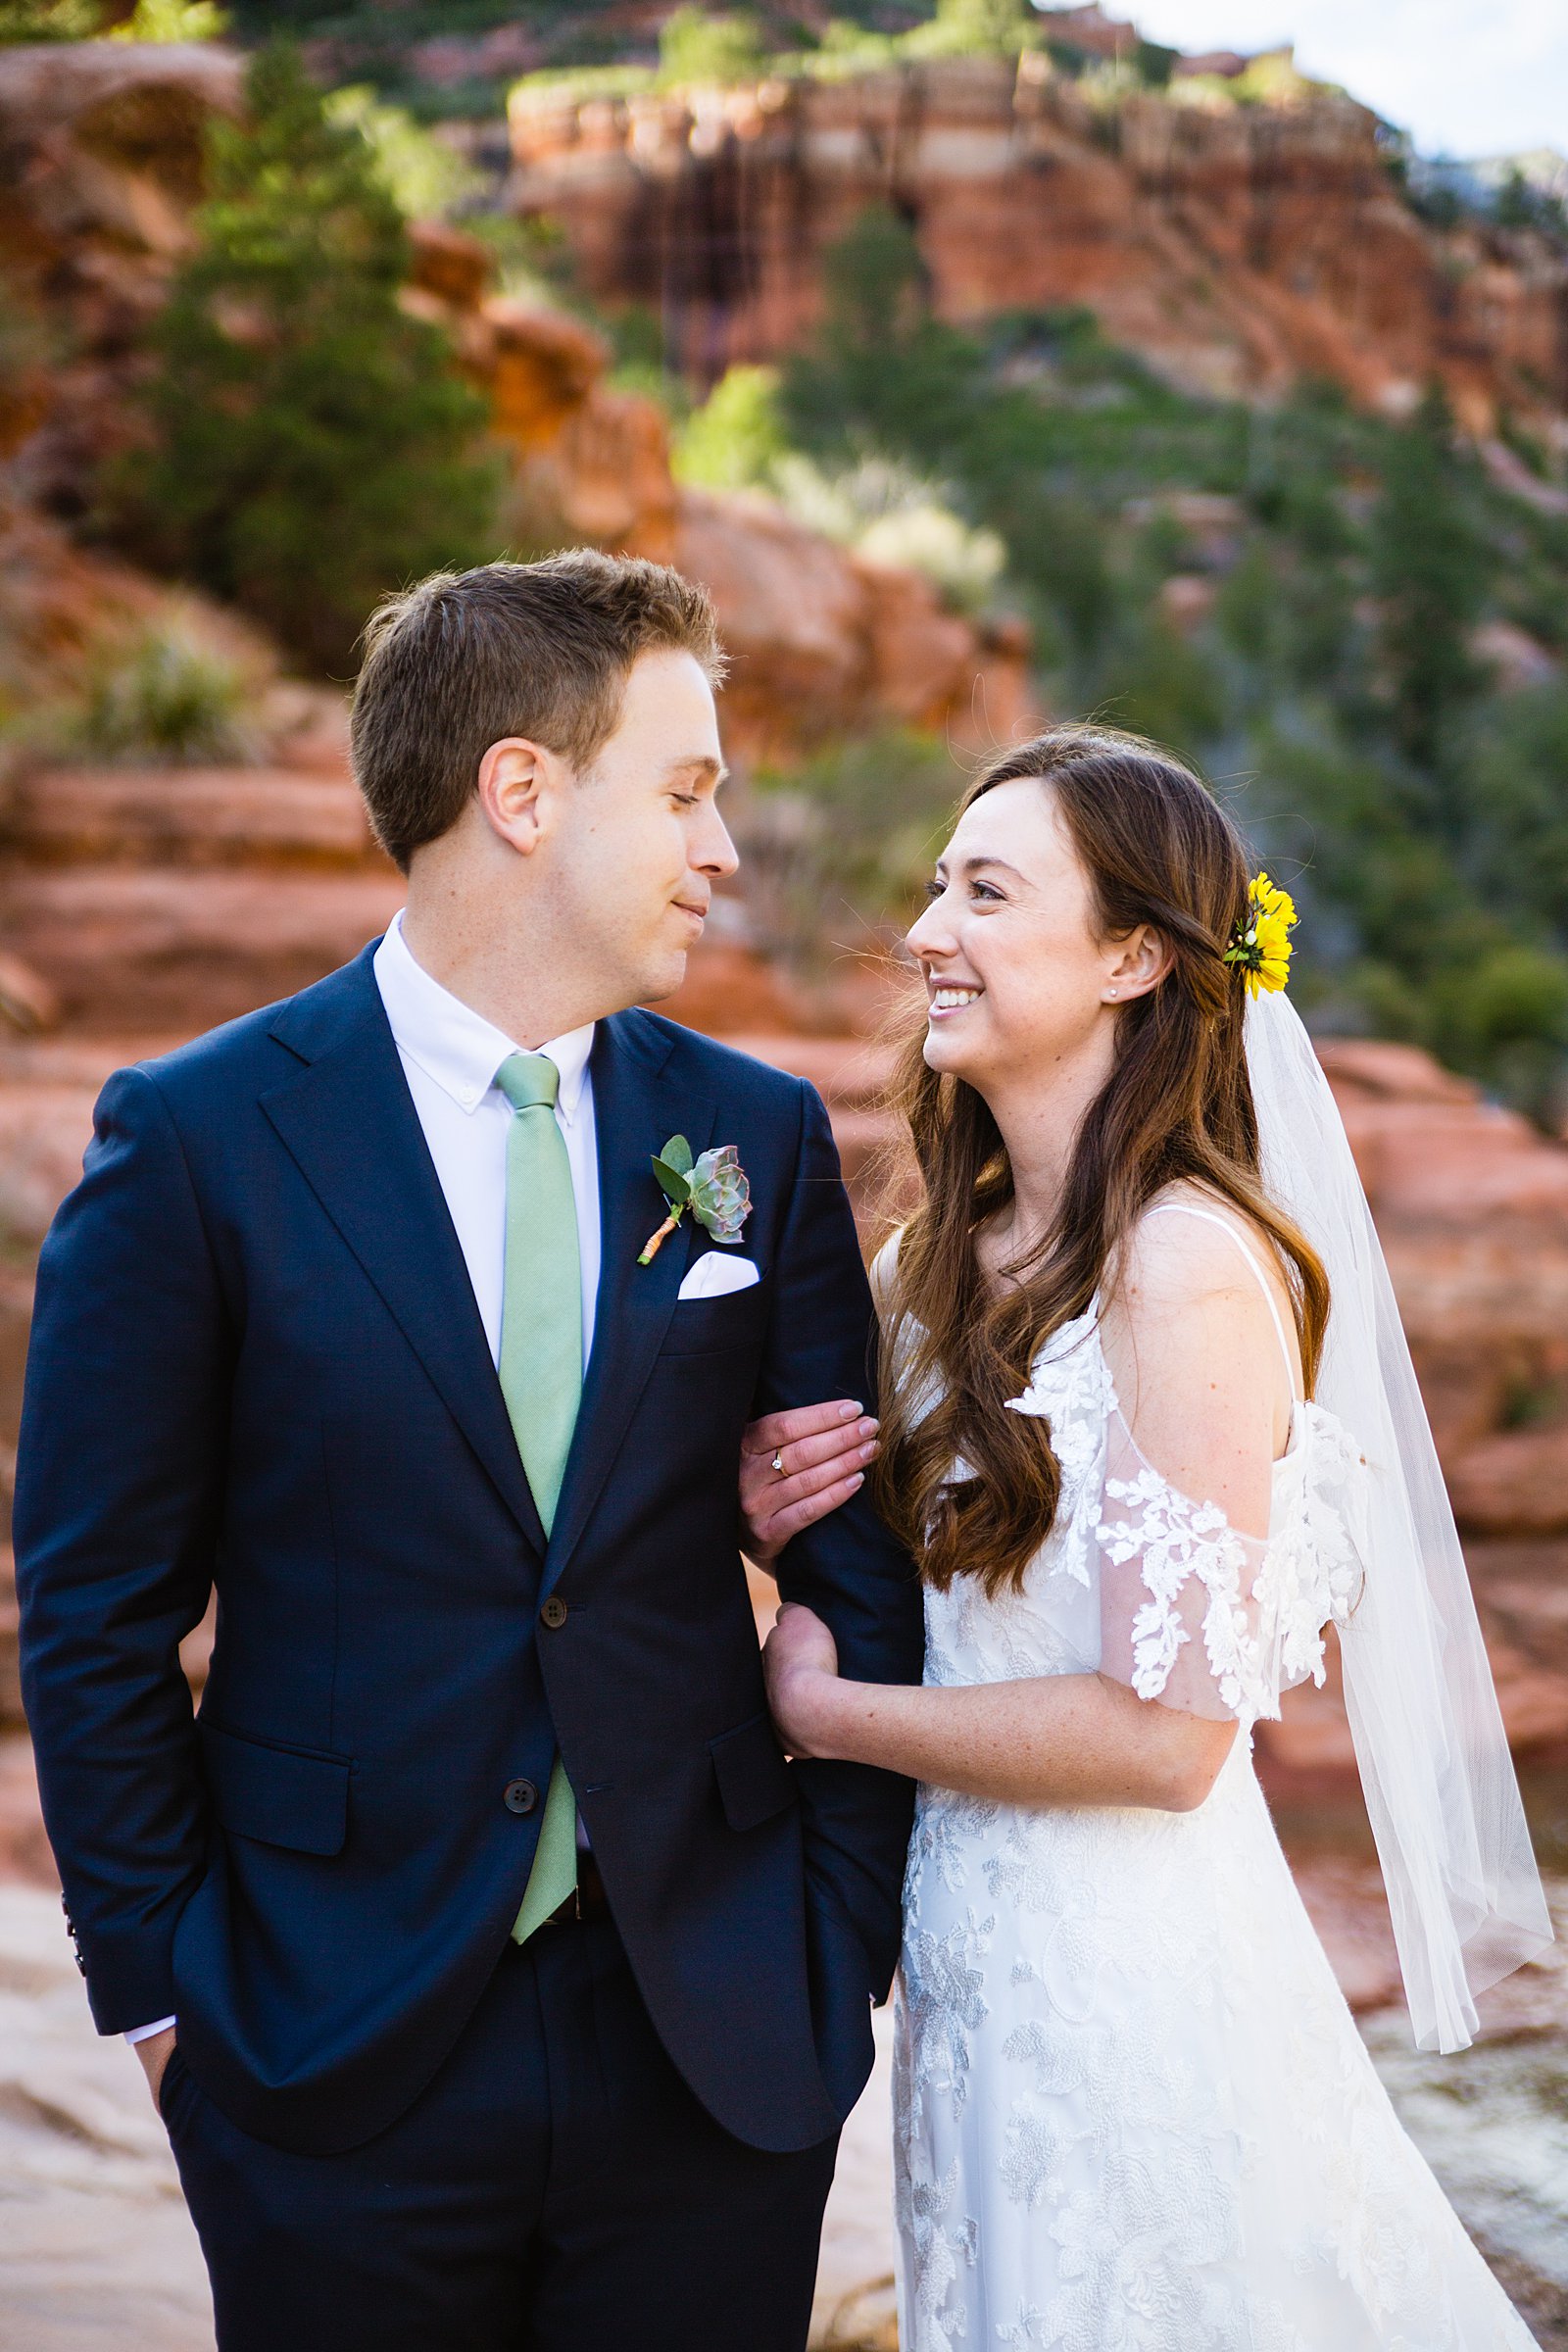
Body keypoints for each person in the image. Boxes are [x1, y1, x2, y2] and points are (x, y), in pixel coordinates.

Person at [16, 553, 924, 2352]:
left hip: (714, 2038)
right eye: (685, 790)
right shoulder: (197, 1140)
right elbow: (97, 1609)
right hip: (322, 2047)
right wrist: (169, 1997)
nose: (723, 846)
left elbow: (857, 1565)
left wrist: (834, 1941)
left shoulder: (754, 1133)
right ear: (522, 792)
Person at [740, 727, 1552, 2351]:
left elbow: (1170, 1739)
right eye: (932, 885)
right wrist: (765, 1528)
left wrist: (826, 1721)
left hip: (1129, 1994)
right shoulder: (932, 1265)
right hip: (969, 1981)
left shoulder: (1183, 1269)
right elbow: (943, 1597)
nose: (926, 933)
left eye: (986, 890)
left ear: (1129, 955)